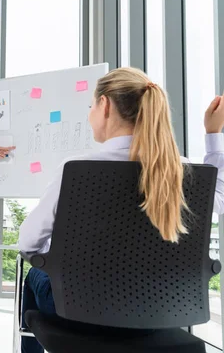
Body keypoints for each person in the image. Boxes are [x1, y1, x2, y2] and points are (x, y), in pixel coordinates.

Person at [17, 67, 224, 353]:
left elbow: (28, 243)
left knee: (32, 273)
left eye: (91, 105)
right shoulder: (179, 172)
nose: (89, 114)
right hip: (161, 307)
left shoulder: (75, 171)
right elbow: (219, 198)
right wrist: (213, 135)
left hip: (80, 310)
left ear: (105, 105)